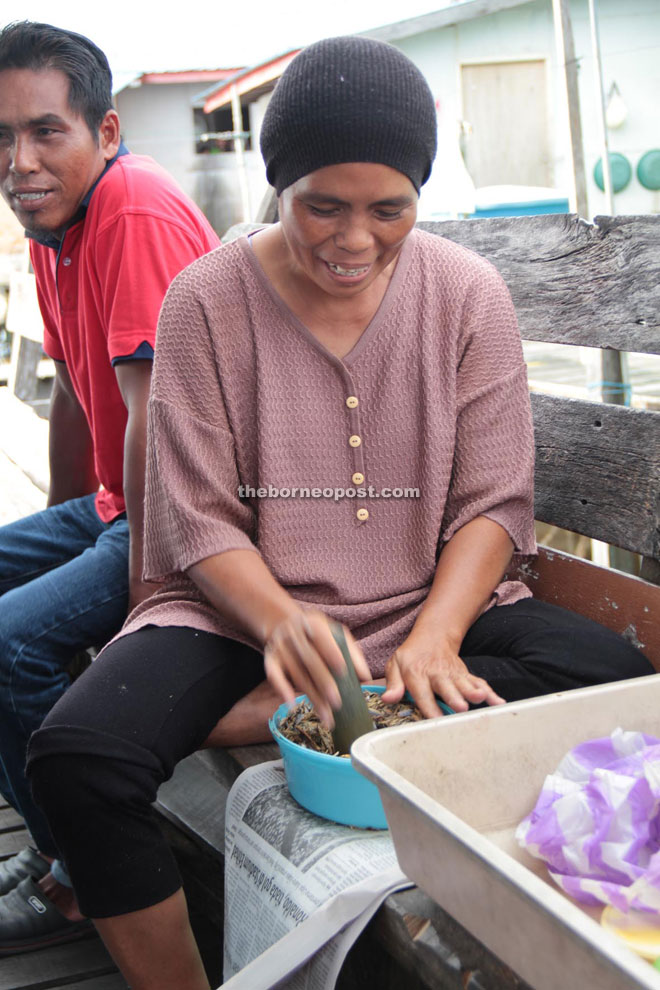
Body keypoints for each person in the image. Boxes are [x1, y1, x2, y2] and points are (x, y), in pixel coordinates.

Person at [24, 36, 653, 989]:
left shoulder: (465, 294)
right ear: (279, 184)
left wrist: (438, 636)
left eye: (388, 210)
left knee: (608, 671)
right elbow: (197, 518)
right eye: (323, 205)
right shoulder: (206, 300)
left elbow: (493, 501)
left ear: (417, 199)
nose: (353, 240)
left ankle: (326, 700)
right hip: (244, 621)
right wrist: (283, 623)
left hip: (425, 606)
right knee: (78, 755)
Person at [0, 20, 219, 952]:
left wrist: (134, 601)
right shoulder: (57, 226)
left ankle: (82, 869)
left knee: (10, 646)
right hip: (119, 506)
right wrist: (62, 525)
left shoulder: (129, 210)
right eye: (2, 139)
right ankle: (68, 839)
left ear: (108, 131)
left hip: (195, 515)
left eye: (46, 132)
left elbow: (160, 425)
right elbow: (78, 406)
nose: (20, 161)